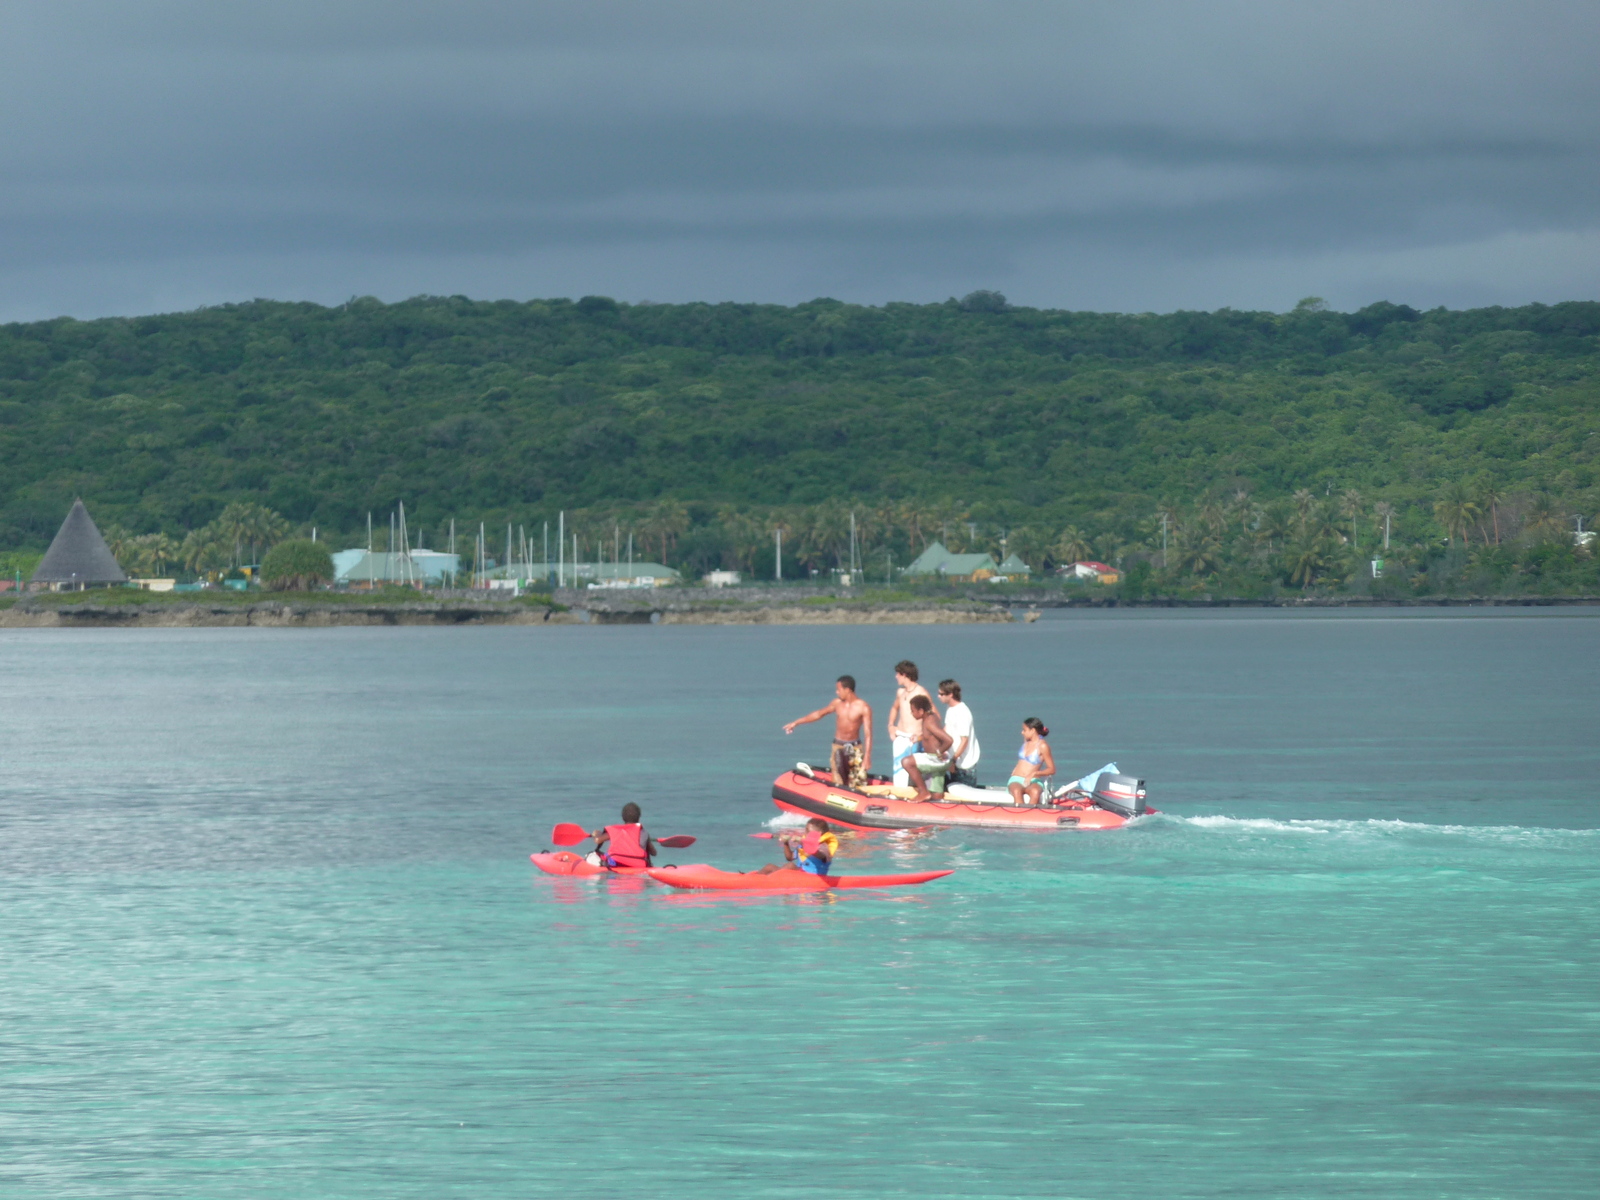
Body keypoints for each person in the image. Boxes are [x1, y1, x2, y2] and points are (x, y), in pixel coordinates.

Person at [783, 675, 873, 789]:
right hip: (838, 747)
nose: (837, 692)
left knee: (857, 784)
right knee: (837, 782)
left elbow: (868, 733)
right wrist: (796, 722)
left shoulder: (863, 707)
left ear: (847, 689)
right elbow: (819, 714)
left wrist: (867, 757)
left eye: (839, 689)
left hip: (855, 749)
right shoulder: (837, 703)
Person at [887, 660, 932, 787]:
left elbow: (933, 716)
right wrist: (891, 726)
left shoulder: (921, 693)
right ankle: (900, 795)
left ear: (905, 675)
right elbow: (894, 708)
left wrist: (921, 735)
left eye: (898, 674)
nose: (896, 677)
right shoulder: (901, 692)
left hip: (914, 739)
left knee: (913, 772)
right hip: (900, 736)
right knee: (899, 772)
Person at [900, 694, 953, 801]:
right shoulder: (931, 717)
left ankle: (923, 792)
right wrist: (919, 738)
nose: (912, 713)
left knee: (906, 762)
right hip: (938, 760)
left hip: (936, 759)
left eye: (913, 711)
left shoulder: (929, 722)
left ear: (921, 711)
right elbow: (930, 736)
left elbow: (949, 740)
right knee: (937, 795)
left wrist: (939, 752)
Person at [755, 817, 840, 875]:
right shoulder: (802, 845)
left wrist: (802, 842)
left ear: (819, 834)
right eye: (805, 830)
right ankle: (753, 879)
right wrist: (786, 843)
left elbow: (816, 853)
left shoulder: (824, 847)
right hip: (801, 874)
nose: (805, 833)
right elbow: (790, 857)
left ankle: (766, 880)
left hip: (814, 877)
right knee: (770, 866)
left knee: (790, 866)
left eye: (808, 831)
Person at [937, 679, 981, 787]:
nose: (938, 696)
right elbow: (946, 730)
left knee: (964, 794)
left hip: (965, 765)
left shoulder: (962, 713)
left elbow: (964, 740)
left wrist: (953, 760)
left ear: (950, 694)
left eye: (941, 694)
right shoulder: (950, 709)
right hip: (954, 762)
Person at [589, 802, 658, 869]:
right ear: (639, 818)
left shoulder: (616, 830)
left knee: (591, 855)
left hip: (617, 865)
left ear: (623, 817)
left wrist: (597, 833)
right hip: (639, 866)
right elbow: (654, 853)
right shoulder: (643, 832)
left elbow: (597, 840)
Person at [1007, 718, 1056, 806]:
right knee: (1016, 791)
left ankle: (1031, 814)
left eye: (1024, 730)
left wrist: (1034, 773)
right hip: (1017, 778)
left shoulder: (1043, 746)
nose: (1022, 732)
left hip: (1033, 780)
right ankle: (1020, 814)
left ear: (1033, 730)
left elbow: (1052, 769)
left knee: (1035, 792)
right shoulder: (1026, 741)